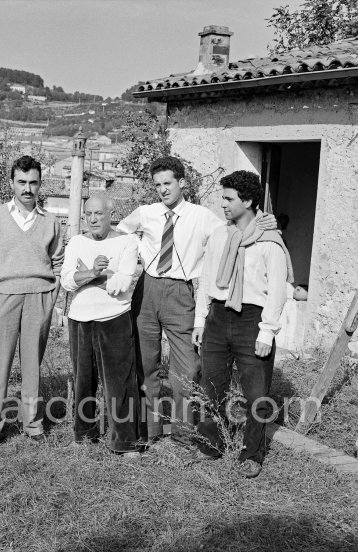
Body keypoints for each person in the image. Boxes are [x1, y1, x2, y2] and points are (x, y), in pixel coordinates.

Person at [117, 156, 277, 446]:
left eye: (168, 183)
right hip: (147, 289)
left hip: (181, 293)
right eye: (157, 185)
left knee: (186, 369)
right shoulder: (145, 212)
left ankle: (183, 433)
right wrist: (134, 255)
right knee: (146, 364)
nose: (163, 190)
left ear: (182, 183)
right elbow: (120, 235)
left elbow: (236, 231)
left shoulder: (202, 216)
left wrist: (264, 220)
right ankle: (149, 430)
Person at [191, 170, 292, 478]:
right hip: (218, 317)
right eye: (222, 197)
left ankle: (252, 453)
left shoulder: (269, 241)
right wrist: (200, 319)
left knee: (256, 392)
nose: (222, 204)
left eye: (228, 198)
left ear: (247, 201)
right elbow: (207, 280)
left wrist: (267, 330)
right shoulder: (221, 235)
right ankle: (212, 442)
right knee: (212, 385)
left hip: (253, 320)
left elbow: (277, 290)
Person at [0, 155, 64, 448]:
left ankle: (33, 424)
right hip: (3, 296)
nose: (27, 189)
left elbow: (59, 262)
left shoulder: (50, 221)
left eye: (33, 183)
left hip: (39, 297)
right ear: (11, 183)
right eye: (21, 182)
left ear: (40, 185)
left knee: (32, 365)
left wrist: (52, 296)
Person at [61, 194, 141, 457]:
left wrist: (88, 276)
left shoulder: (127, 242)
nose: (93, 219)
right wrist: (95, 273)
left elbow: (122, 285)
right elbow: (67, 282)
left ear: (110, 214)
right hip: (80, 319)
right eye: (88, 214)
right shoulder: (76, 242)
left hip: (114, 318)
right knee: (84, 380)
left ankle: (125, 442)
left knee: (120, 382)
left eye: (98, 214)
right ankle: (84, 434)